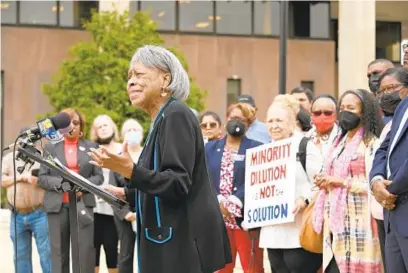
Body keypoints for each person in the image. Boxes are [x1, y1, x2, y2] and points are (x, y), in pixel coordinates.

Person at [88, 45, 231, 273]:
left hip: (182, 246)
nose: (131, 82)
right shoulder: (160, 121)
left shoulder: (175, 115)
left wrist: (130, 171)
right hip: (168, 242)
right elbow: (158, 181)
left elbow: (177, 182)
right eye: (129, 77)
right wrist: (127, 193)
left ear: (165, 79)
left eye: (139, 75)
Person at [313, 89, 384, 273]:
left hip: (362, 224)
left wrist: (341, 182)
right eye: (342, 107)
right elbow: (329, 174)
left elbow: (374, 186)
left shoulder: (371, 144)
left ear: (364, 112)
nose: (345, 112)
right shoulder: (338, 143)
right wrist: (323, 180)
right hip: (336, 225)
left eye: (351, 108)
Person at [260, 101, 323, 273]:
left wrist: (305, 199)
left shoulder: (304, 146)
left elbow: (321, 182)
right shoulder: (263, 152)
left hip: (299, 234)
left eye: (279, 121)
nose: (274, 126)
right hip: (272, 235)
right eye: (270, 121)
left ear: (291, 123)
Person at [38, 108, 104, 273]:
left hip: (83, 206)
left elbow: (99, 177)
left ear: (81, 126)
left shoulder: (91, 147)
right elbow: (43, 178)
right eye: (67, 123)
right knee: (59, 252)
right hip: (57, 206)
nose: (72, 126)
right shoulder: (51, 148)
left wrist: (82, 185)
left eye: (76, 123)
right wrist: (64, 184)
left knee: (84, 252)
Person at [205, 103, 264, 273]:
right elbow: (204, 176)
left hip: (245, 221)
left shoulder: (257, 148)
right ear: (226, 120)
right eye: (232, 118)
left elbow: (258, 178)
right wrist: (219, 200)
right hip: (218, 220)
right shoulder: (209, 148)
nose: (236, 122)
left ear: (247, 123)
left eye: (241, 119)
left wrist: (236, 199)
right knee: (222, 268)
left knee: (253, 268)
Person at [370, 68, 408, 273]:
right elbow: (384, 148)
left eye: (391, 88)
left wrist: (390, 189)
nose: (386, 95)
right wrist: (376, 181)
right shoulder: (402, 107)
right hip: (393, 217)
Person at [1, 129, 51, 273]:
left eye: (32, 139)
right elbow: (2, 181)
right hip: (16, 215)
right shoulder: (8, 158)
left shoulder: (42, 158)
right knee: (20, 255)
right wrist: (21, 178)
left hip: (39, 213)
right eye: (24, 139)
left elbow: (50, 181)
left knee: (46, 254)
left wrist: (38, 181)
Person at [110, 118, 145, 273]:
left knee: (148, 251)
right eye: (128, 130)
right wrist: (126, 213)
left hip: (148, 211)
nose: (132, 133)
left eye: (135, 130)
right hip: (125, 214)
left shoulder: (149, 154)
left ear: (142, 134)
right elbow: (112, 190)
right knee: (125, 253)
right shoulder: (117, 159)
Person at [90, 114, 121, 273]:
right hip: (94, 209)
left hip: (115, 209)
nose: (102, 129)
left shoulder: (122, 149)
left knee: (112, 251)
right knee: (93, 251)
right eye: (99, 127)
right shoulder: (92, 150)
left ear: (112, 127)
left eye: (105, 125)